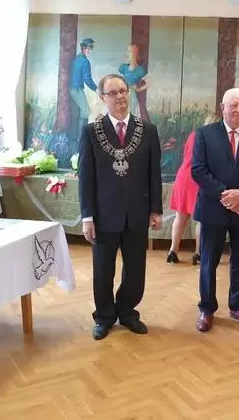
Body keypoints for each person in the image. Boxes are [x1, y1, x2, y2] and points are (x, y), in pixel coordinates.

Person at [78, 73, 163, 341]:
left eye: (123, 91)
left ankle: (127, 312)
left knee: (136, 270)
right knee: (103, 270)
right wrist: (87, 216)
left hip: (137, 214)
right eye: (113, 93)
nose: (120, 97)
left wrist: (156, 209)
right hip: (103, 215)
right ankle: (104, 317)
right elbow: (86, 177)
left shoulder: (147, 131)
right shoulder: (91, 132)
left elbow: (154, 174)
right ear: (103, 97)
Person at [191, 88, 239, 332]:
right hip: (213, 208)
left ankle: (237, 306)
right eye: (234, 105)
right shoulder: (205, 134)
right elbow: (198, 170)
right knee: (208, 261)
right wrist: (226, 196)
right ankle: (206, 309)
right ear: (223, 107)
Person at [167, 114, 220, 265]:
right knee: (201, 219)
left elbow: (187, 154)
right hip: (198, 179)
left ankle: (173, 250)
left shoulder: (193, 135)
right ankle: (198, 253)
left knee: (180, 216)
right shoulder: (214, 139)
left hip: (183, 176)